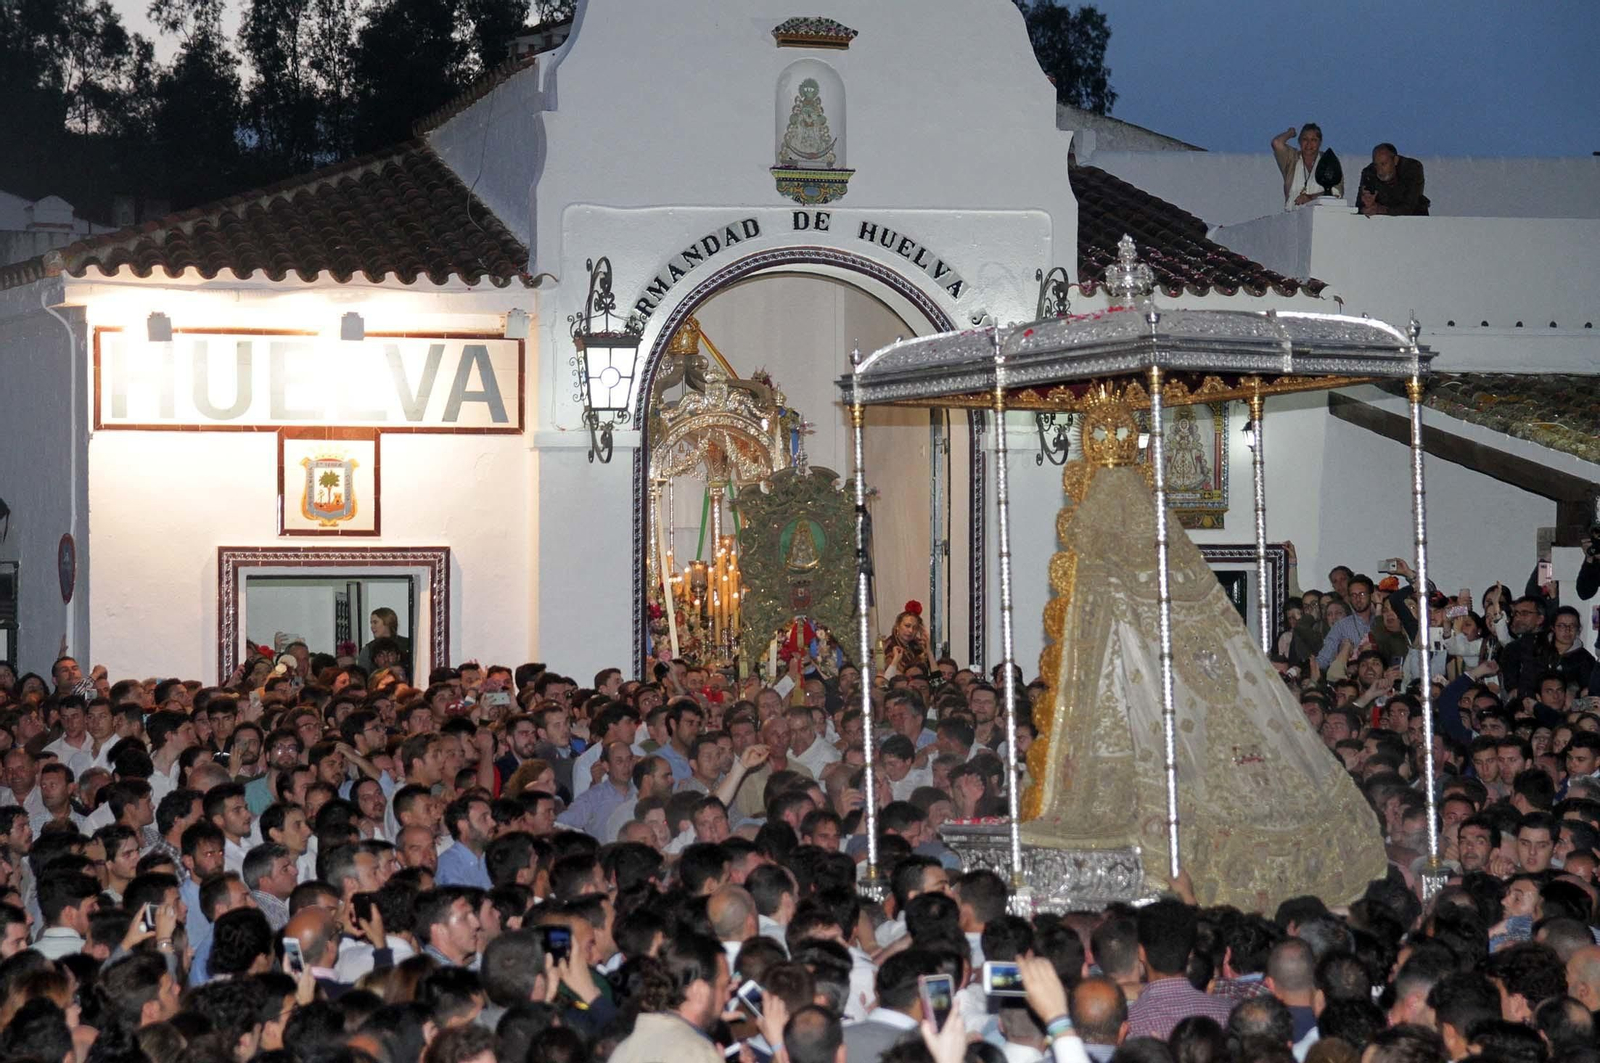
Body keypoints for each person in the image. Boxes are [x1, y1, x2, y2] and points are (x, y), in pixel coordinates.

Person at [1272, 123, 1343, 209]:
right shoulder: (1291, 160)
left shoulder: (1328, 161)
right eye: (1305, 139)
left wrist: (1310, 198)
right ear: (1299, 141)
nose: (1309, 144)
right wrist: (1290, 133)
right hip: (1294, 216)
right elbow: (1277, 143)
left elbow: (1337, 193)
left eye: (1313, 140)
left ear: (1320, 142)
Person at [1357, 144, 1430, 216]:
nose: (1379, 171)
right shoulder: (1369, 173)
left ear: (1395, 160)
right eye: (1376, 165)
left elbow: (1409, 206)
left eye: (1383, 164)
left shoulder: (1412, 168)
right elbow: (1359, 207)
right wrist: (1367, 207)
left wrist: (1380, 209)